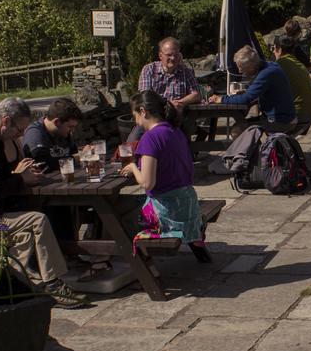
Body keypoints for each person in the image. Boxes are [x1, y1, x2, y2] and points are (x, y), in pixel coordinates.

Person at [0, 98, 86, 308]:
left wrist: (20, 173)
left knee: (29, 229)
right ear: (5, 121)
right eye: (19, 129)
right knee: (37, 220)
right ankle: (52, 284)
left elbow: (2, 180)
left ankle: (29, 288)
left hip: (3, 212)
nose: (21, 134)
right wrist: (19, 178)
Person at [119, 90, 209, 263]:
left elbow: (147, 183)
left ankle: (137, 267)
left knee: (116, 211)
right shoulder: (175, 132)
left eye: (135, 116)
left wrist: (133, 167)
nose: (136, 122)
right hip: (187, 205)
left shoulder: (150, 138)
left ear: (143, 111)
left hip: (168, 213)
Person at [208, 45, 298, 132]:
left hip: (281, 121)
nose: (239, 71)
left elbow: (246, 99)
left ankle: (254, 147)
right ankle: (256, 147)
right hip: (284, 117)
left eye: (241, 67)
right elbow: (254, 93)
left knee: (237, 130)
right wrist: (247, 92)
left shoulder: (266, 74)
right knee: (242, 127)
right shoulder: (269, 66)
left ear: (251, 67)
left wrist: (221, 99)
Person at [22, 97, 82, 172]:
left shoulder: (62, 132)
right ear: (57, 122)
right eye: (70, 127)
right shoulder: (35, 134)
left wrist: (84, 153)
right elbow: (43, 164)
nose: (73, 130)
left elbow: (74, 152)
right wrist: (75, 158)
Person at [271, 30, 311, 124]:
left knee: (257, 122)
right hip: (310, 111)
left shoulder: (280, 64)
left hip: (297, 114)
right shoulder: (297, 62)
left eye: (273, 48)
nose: (272, 51)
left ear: (279, 49)